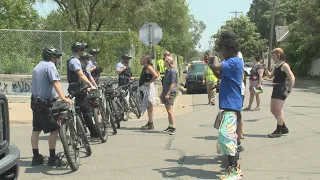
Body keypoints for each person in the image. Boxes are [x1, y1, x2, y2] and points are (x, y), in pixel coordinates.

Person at [209, 31, 243, 179]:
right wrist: (212, 66)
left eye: (222, 50)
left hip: (231, 104)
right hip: (229, 104)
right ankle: (232, 168)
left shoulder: (233, 61)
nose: (221, 53)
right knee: (228, 138)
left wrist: (214, 57)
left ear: (228, 50)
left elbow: (217, 65)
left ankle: (234, 170)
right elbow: (219, 74)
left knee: (227, 138)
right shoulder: (232, 63)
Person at [31, 47, 72, 166]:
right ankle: (52, 158)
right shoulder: (50, 66)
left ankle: (36, 157)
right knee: (54, 130)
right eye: (57, 58)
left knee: (36, 130)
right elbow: (56, 82)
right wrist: (64, 98)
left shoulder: (38, 66)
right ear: (52, 58)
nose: (57, 60)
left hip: (35, 102)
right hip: (45, 104)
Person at [67, 42, 98, 138]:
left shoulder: (74, 60)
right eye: (82, 50)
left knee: (79, 108)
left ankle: (81, 127)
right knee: (87, 110)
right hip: (79, 88)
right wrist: (89, 85)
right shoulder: (75, 61)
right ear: (79, 50)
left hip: (74, 87)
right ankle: (93, 132)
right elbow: (80, 74)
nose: (83, 51)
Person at [264, 48, 295, 138]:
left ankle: (278, 131)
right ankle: (283, 127)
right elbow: (270, 76)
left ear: (278, 54)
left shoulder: (284, 65)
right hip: (275, 88)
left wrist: (288, 91)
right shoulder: (277, 65)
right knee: (273, 110)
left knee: (278, 110)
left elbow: (292, 78)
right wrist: (265, 69)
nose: (272, 57)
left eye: (273, 55)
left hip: (281, 88)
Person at [139, 55, 158, 130]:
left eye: (141, 58)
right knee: (148, 106)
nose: (140, 60)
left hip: (148, 89)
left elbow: (155, 75)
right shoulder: (145, 67)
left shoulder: (148, 67)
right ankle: (150, 122)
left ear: (146, 60)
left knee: (149, 105)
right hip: (144, 89)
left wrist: (149, 82)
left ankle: (150, 123)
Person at [161, 56, 178, 135]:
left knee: (170, 110)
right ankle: (170, 126)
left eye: (165, 61)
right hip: (165, 92)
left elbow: (173, 83)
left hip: (170, 93)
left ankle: (173, 127)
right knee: (168, 110)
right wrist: (162, 93)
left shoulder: (172, 71)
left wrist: (168, 93)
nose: (164, 62)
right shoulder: (167, 71)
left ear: (168, 62)